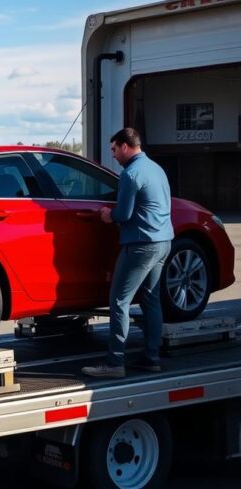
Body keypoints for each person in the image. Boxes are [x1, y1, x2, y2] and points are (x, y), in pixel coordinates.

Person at [83, 128, 173, 379]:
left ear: (125, 146)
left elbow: (122, 214)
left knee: (119, 301)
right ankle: (151, 358)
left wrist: (106, 215)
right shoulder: (156, 168)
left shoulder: (131, 174)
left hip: (141, 245)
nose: (113, 155)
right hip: (163, 241)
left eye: (113, 149)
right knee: (150, 299)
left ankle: (114, 363)